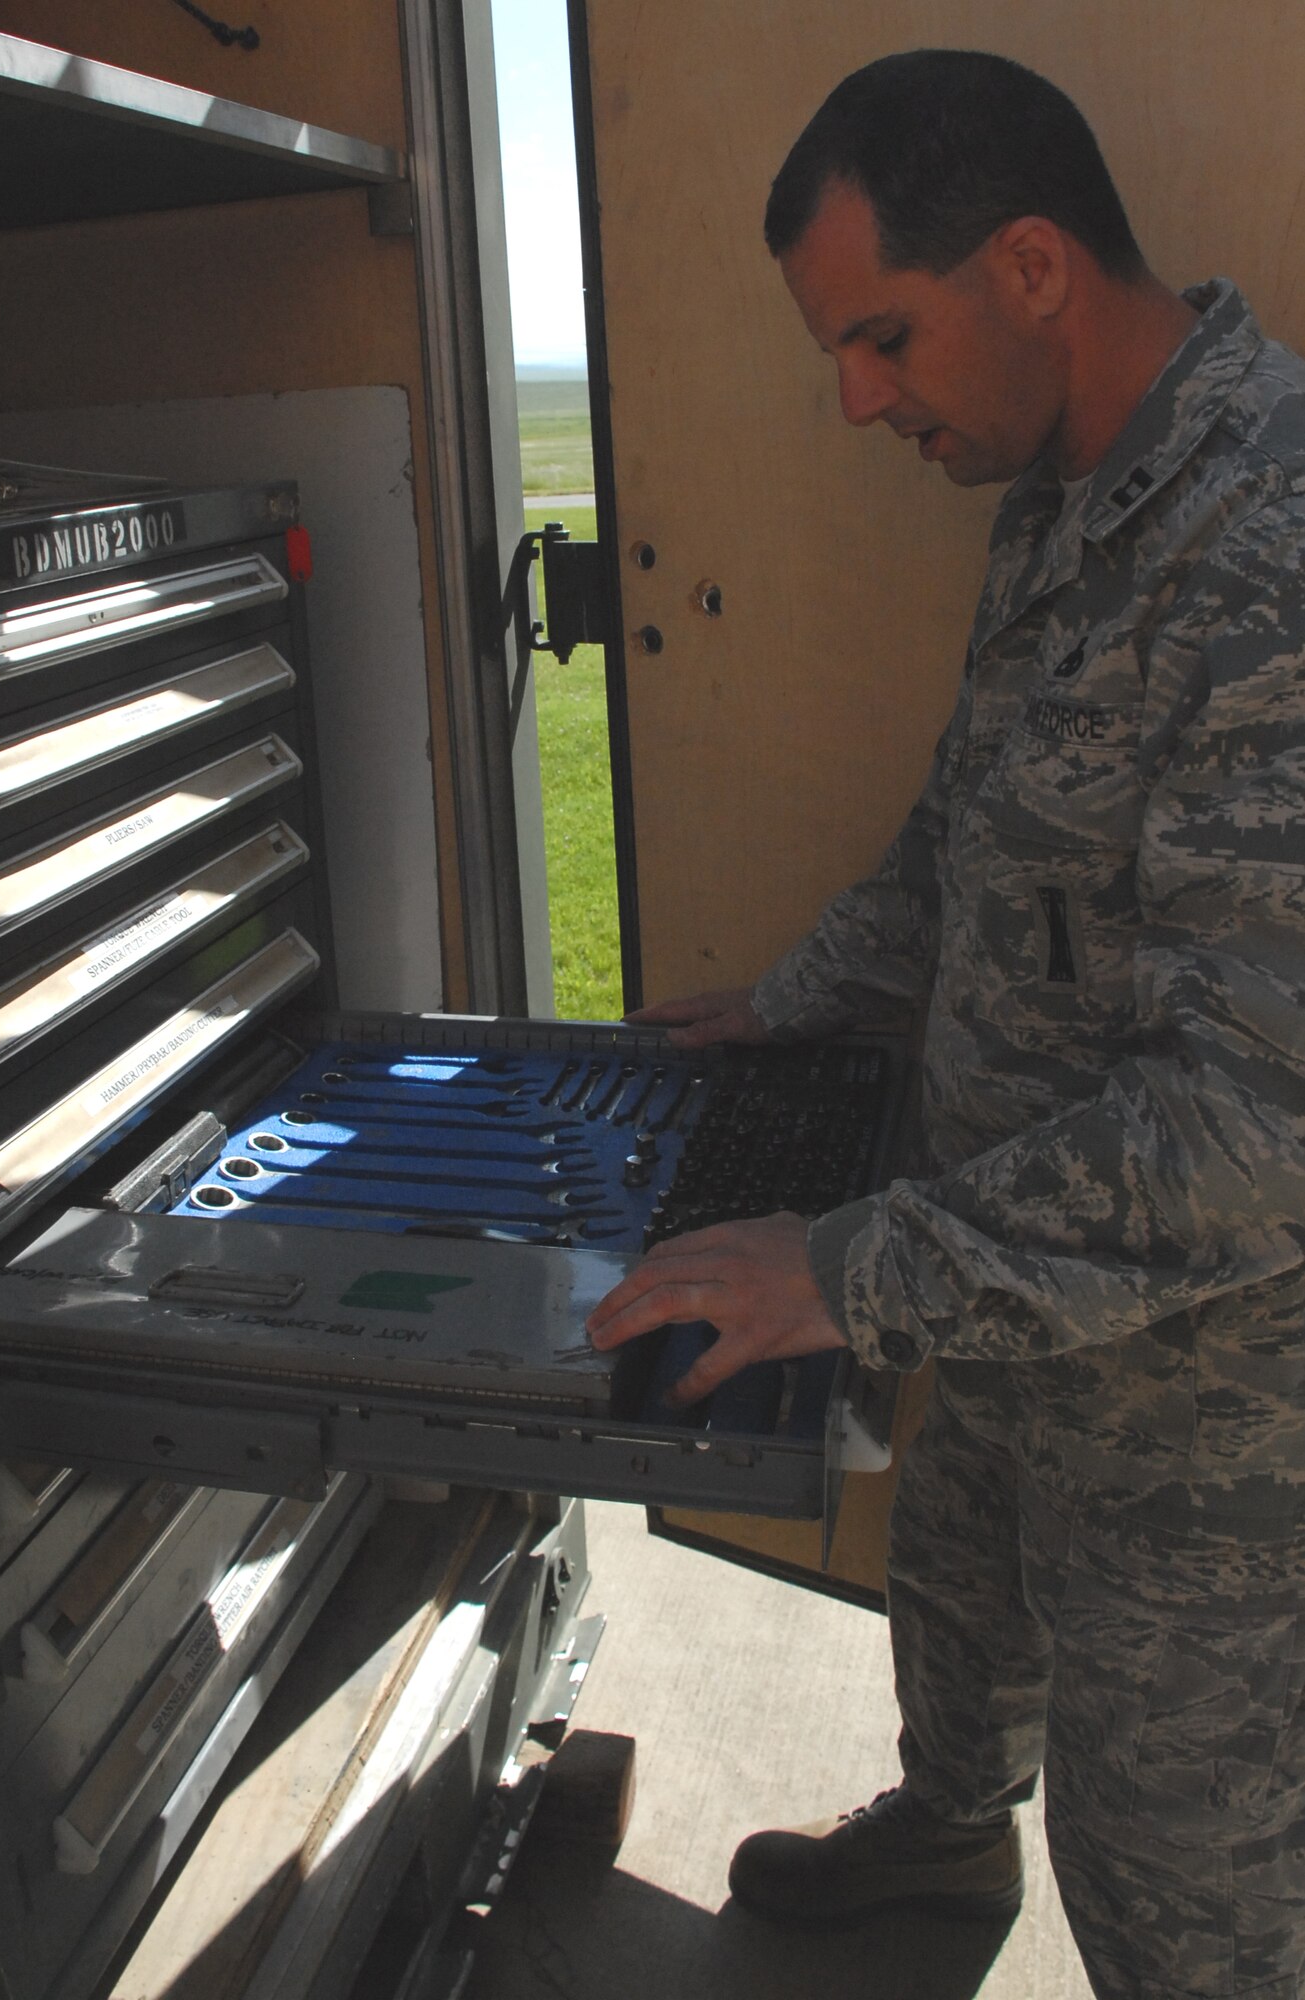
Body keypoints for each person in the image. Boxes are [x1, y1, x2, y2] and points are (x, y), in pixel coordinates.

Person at [585, 49, 1305, 2000]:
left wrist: (850, 1269)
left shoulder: (1268, 551)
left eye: (884, 339)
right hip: (1002, 1288)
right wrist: (800, 1000)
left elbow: (1258, 1131)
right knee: (957, 1605)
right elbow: (969, 815)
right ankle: (938, 1833)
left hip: (1210, 1415)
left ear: (1036, 267)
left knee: (1180, 1891)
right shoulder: (1064, 484)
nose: (856, 399)